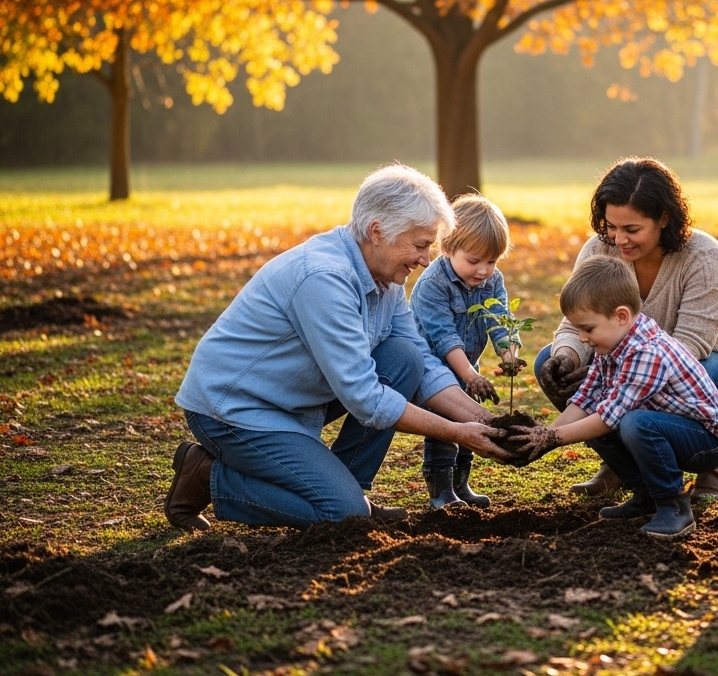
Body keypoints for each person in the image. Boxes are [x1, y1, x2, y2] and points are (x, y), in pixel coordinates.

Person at [164, 165, 508, 531]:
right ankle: (207, 475)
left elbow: (419, 358)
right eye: (421, 245)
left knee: (404, 359)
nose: (426, 259)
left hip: (293, 398)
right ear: (377, 232)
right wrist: (457, 432)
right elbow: (365, 397)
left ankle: (347, 488)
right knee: (341, 516)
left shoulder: (387, 278)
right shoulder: (324, 279)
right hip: (236, 410)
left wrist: (485, 421)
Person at [535, 157, 718, 502]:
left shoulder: (705, 256)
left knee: (705, 373)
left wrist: (614, 375)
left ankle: (711, 471)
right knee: (550, 363)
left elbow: (689, 347)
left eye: (632, 230)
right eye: (611, 226)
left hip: (717, 366)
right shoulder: (599, 249)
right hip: (630, 362)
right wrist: (567, 357)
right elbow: (574, 322)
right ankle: (626, 470)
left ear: (663, 219)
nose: (619, 239)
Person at [509, 257, 718, 537]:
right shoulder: (613, 345)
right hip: (669, 430)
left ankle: (674, 506)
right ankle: (645, 496)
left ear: (621, 316)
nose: (581, 338)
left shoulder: (647, 352)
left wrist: (552, 439)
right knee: (601, 422)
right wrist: (543, 437)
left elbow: (608, 417)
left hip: (706, 442)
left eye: (588, 328)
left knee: (632, 423)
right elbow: (586, 400)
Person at [409, 195, 524, 510]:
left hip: (466, 368)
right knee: (448, 425)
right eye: (474, 261)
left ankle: (462, 484)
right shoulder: (434, 284)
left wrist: (509, 354)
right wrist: (470, 376)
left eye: (492, 261)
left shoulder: (491, 280)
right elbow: (443, 337)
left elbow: (500, 320)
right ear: (448, 248)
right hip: (434, 371)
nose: (484, 271)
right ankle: (441, 490)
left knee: (471, 427)